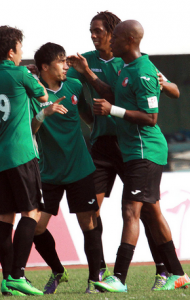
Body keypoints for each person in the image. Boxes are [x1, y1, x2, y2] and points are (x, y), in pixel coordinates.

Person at [67, 10, 180, 290]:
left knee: (139, 210)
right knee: (92, 210)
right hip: (106, 146)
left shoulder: (136, 65)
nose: (93, 36)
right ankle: (98, 276)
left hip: (136, 145)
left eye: (100, 31)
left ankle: (156, 272)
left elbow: (158, 101)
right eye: (90, 31)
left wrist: (162, 85)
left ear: (117, 35)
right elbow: (74, 88)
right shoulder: (96, 62)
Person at [92, 20, 190, 292]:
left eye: (117, 37)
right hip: (135, 150)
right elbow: (114, 94)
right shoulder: (126, 67)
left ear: (131, 40)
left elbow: (151, 117)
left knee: (130, 211)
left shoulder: (144, 72)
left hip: (145, 150)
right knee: (153, 213)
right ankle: (178, 274)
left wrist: (113, 111)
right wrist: (88, 74)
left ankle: (119, 278)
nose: (111, 41)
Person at [0, 26, 48, 296]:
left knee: (6, 216)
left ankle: (6, 280)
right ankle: (18, 275)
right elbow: (44, 96)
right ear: (11, 51)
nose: (22, 52)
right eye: (20, 48)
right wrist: (27, 75)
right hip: (22, 154)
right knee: (32, 213)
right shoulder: (20, 73)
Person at [30, 42, 102, 294]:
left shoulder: (74, 85)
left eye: (65, 60)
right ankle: (58, 270)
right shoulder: (32, 93)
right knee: (36, 227)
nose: (66, 65)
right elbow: (29, 130)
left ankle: (95, 279)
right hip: (48, 172)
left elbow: (85, 113)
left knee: (88, 223)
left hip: (79, 168)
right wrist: (44, 114)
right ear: (45, 67)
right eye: (61, 61)